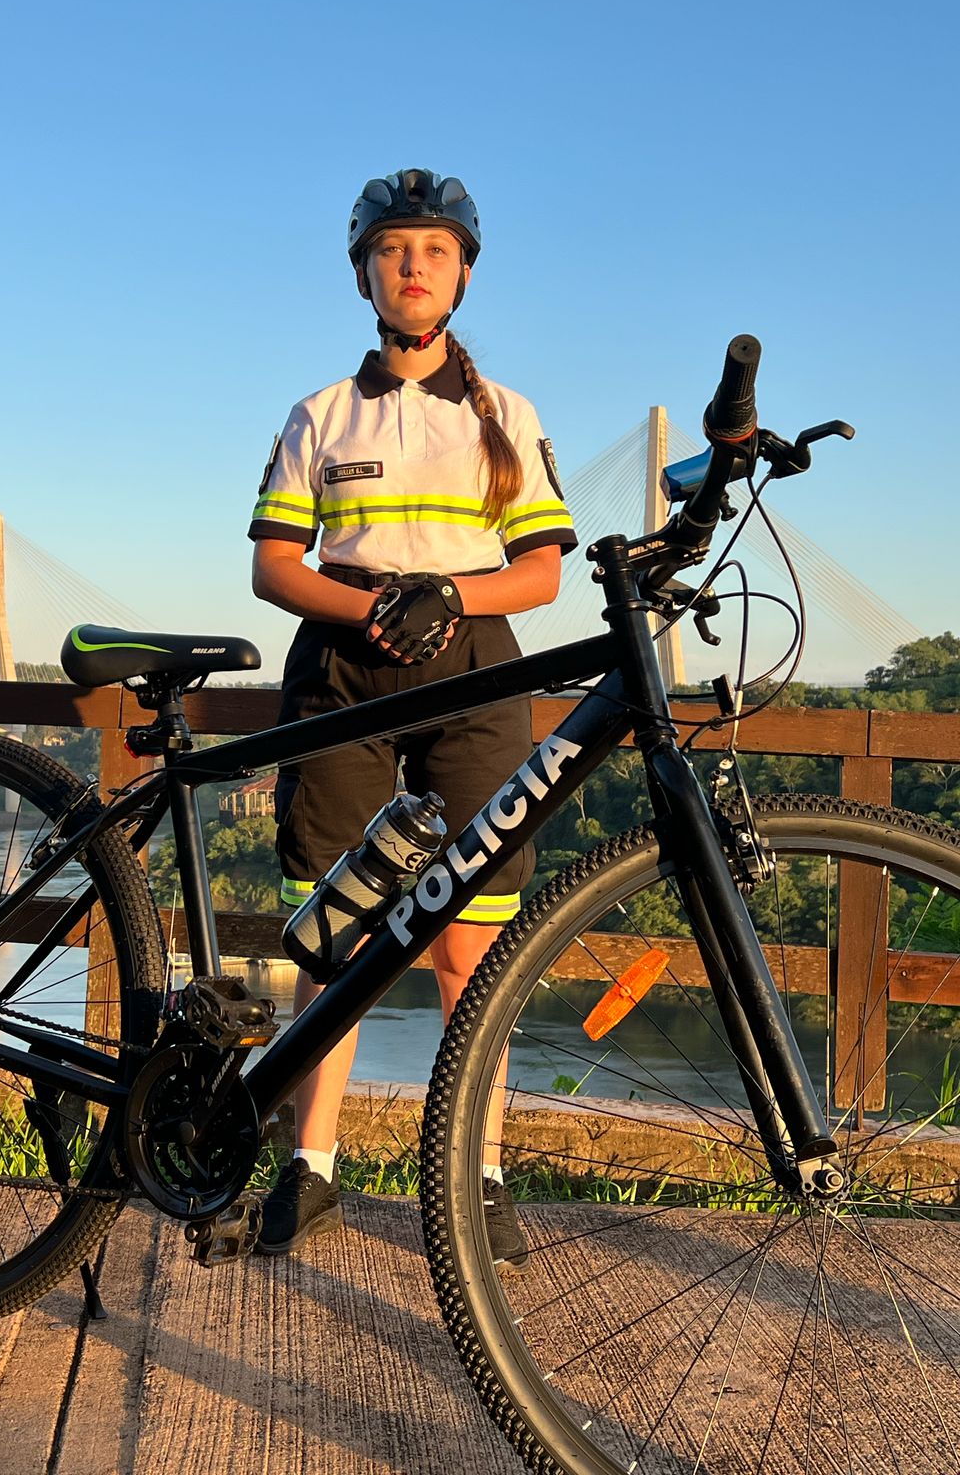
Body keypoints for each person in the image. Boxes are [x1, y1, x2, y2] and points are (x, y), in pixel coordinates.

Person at [248, 168, 577, 1266]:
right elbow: (273, 565)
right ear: (364, 275)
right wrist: (375, 604)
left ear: (464, 273)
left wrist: (449, 596)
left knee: (469, 939)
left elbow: (540, 574)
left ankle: (478, 1176)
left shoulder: (507, 415)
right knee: (330, 934)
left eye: (435, 250)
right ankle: (313, 1166)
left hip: (476, 665)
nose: (415, 265)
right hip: (345, 661)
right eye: (394, 249)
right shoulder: (320, 414)